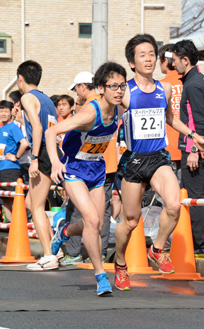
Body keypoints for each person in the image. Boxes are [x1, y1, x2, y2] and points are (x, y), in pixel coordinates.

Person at [113, 34, 204, 291]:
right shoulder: (124, 91)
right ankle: (121, 263)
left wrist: (194, 136)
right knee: (131, 221)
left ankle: (157, 249)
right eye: (141, 55)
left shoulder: (164, 89)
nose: (148, 59)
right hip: (134, 160)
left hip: (159, 157)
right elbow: (107, 116)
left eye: (151, 54)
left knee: (173, 205)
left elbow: (170, 119)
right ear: (131, 62)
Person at [47, 62, 126, 295]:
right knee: (91, 219)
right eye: (114, 86)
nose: (119, 91)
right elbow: (52, 132)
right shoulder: (91, 112)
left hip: (97, 169)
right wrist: (55, 162)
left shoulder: (119, 109)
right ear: (101, 88)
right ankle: (101, 276)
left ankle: (64, 232)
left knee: (97, 224)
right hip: (74, 169)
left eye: (122, 86)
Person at [64, 70, 118, 265]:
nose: (77, 94)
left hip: (87, 164)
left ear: (82, 87)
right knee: (100, 216)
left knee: (82, 213)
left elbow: (55, 131)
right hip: (105, 165)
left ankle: (73, 250)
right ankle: (99, 254)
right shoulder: (110, 103)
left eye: (77, 89)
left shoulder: (90, 107)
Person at [172, 39, 204, 258]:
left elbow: (200, 122)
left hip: (195, 149)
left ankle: (199, 244)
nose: (173, 65)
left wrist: (192, 150)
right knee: (196, 195)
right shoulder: (201, 79)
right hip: (201, 147)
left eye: (174, 61)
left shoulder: (192, 84)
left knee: (194, 196)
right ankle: (199, 242)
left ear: (185, 60)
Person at [17, 60, 62, 271]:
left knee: (36, 206)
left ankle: (48, 255)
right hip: (51, 150)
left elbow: (37, 128)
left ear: (20, 79)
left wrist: (33, 158)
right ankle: (56, 247)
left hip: (41, 151)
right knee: (30, 202)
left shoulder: (27, 97)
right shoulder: (46, 99)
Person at [0, 100, 28, 222]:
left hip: (11, 168)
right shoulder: (0, 128)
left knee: (13, 197)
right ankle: (10, 224)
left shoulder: (13, 127)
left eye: (6, 111)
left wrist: (16, 157)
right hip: (0, 167)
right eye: (1, 111)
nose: (3, 114)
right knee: (5, 198)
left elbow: (24, 143)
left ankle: (19, 223)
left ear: (11, 113)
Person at [158, 44, 183, 181]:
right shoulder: (189, 82)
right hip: (190, 148)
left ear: (166, 61)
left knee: (167, 196)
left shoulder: (160, 86)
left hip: (167, 149)